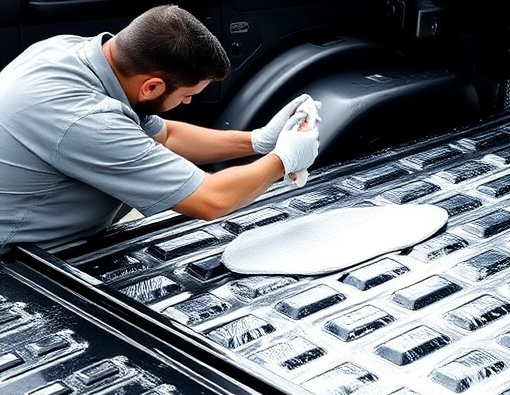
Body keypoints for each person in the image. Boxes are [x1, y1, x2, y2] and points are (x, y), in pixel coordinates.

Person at [0, 4, 319, 251]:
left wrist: (259, 141)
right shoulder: (87, 119)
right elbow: (211, 199)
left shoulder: (71, 52)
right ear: (151, 87)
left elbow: (166, 135)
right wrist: (283, 160)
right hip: (18, 265)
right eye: (187, 95)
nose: (188, 104)